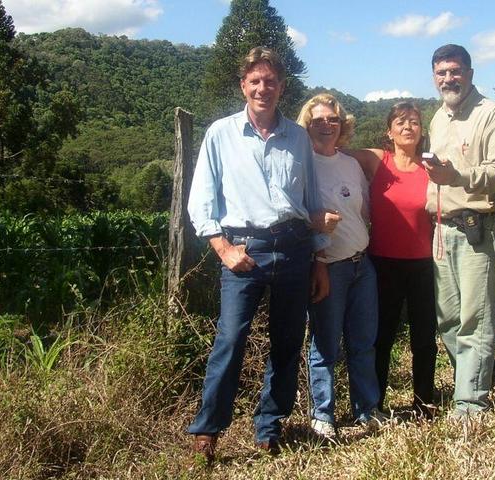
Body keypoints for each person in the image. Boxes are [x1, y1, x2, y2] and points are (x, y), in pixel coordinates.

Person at [186, 47, 339, 462]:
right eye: (254, 81)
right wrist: (222, 248)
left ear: (281, 87)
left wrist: (319, 258)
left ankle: (269, 428)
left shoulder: (298, 138)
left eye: (270, 81)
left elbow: (310, 203)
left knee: (287, 342)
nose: (262, 88)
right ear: (243, 86)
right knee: (230, 339)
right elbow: (200, 201)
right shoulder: (221, 134)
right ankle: (209, 430)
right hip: (244, 251)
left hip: (293, 249)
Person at [422, 44, 495, 419]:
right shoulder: (437, 118)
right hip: (442, 229)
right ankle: (473, 378)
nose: (449, 78)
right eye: (442, 73)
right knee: (447, 318)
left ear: (470, 73)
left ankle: (470, 406)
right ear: (434, 77)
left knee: (476, 317)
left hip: (478, 228)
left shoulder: (491, 114)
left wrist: (457, 176)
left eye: (455, 71)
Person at [296, 94, 382, 439]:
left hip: (363, 265)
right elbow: (294, 217)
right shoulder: (302, 165)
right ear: (307, 125)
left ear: (342, 125)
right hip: (328, 266)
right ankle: (323, 415)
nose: (326, 126)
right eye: (318, 120)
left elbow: (365, 210)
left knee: (363, 342)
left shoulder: (349, 163)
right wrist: (314, 231)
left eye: (333, 120)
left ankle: (366, 410)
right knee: (325, 344)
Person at [345, 102, 437, 418]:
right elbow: (334, 147)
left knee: (424, 337)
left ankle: (425, 401)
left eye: (414, 122)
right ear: (389, 131)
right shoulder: (377, 160)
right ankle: (375, 404)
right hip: (382, 263)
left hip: (424, 264)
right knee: (381, 337)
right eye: (400, 122)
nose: (408, 126)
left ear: (422, 130)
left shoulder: (431, 168)